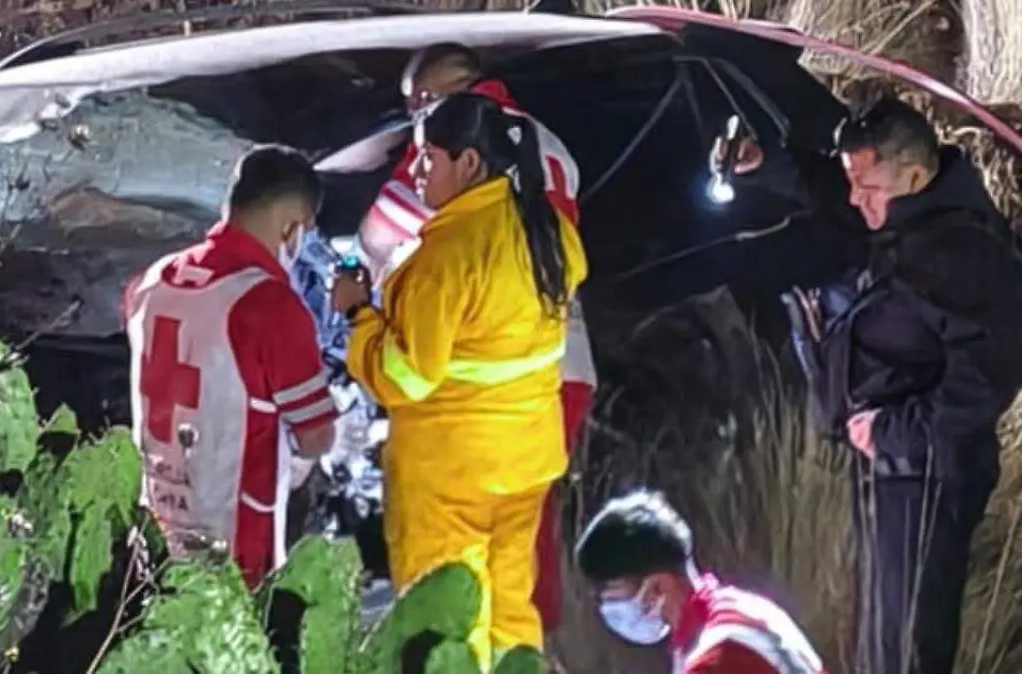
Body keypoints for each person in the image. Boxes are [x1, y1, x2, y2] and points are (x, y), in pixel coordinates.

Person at [721, 97, 1021, 674]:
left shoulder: (966, 254)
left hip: (925, 475)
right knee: (879, 631)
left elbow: (982, 386)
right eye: (853, 184)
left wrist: (893, 431)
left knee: (906, 642)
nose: (857, 201)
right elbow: (833, 190)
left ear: (912, 174)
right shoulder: (906, 208)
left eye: (870, 188)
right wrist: (768, 164)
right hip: (888, 465)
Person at [331, 92, 587, 669]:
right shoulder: (550, 238)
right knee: (511, 607)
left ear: (469, 163)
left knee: (442, 614)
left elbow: (405, 378)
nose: (417, 171)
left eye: (428, 158)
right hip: (526, 461)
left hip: (448, 474)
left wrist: (357, 314)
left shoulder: (444, 256)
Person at [124, 144, 338, 589]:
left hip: (157, 520)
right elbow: (315, 437)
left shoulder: (152, 279)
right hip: (232, 543)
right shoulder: (269, 305)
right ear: (292, 222)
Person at [576, 488, 828, 674]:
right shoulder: (737, 610)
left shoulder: (720, 652)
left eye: (611, 592)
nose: (607, 605)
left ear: (658, 586)